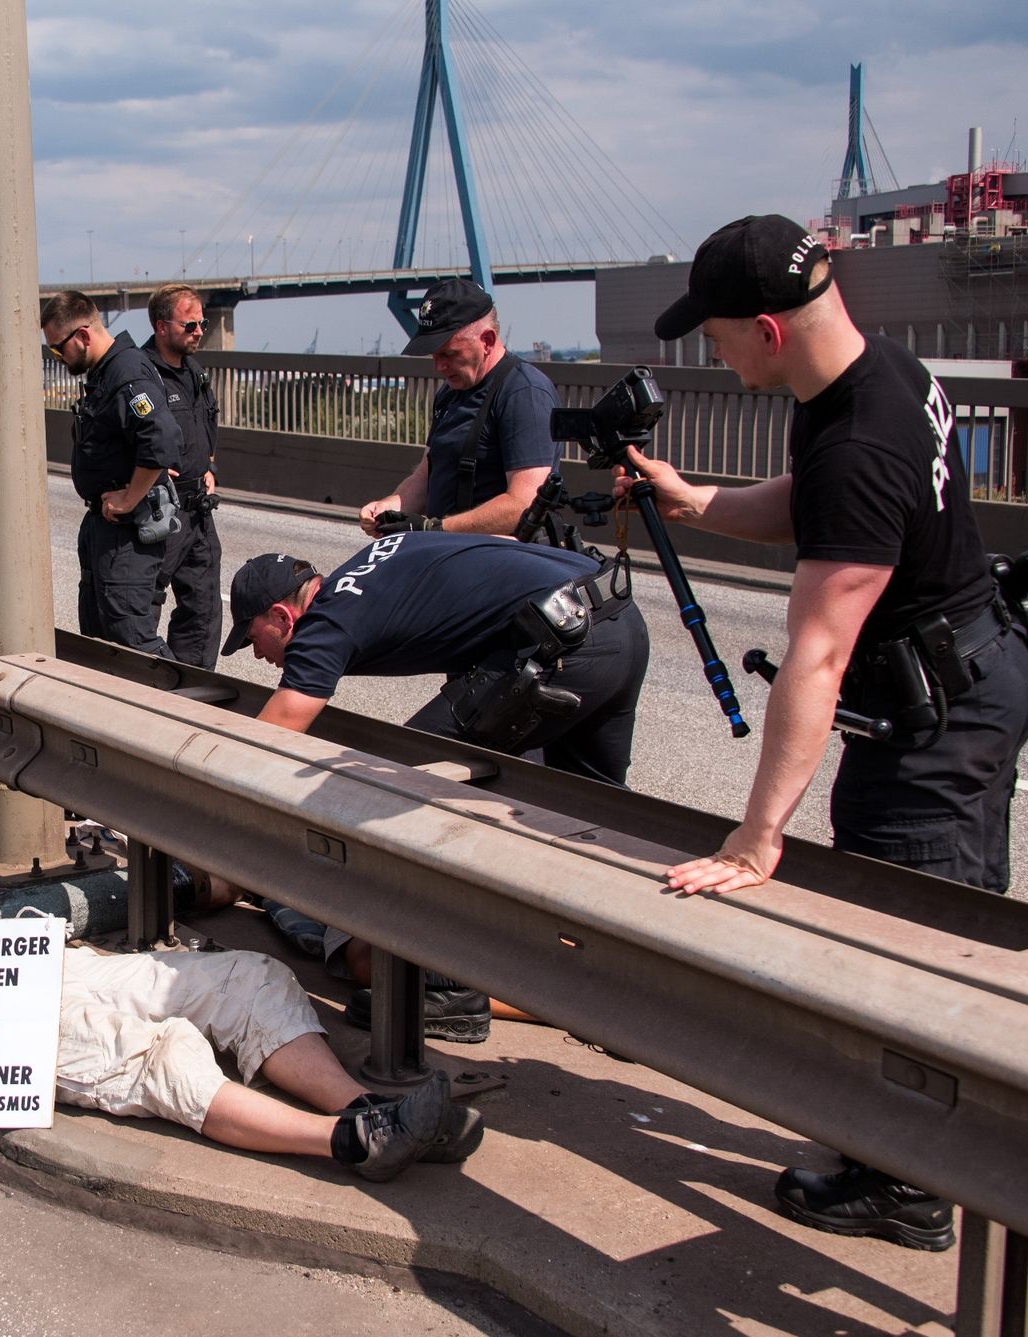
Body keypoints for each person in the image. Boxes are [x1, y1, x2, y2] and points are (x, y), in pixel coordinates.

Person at [638, 213, 1028, 1251]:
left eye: (717, 334)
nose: (708, 351)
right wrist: (701, 501)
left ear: (767, 330)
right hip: (968, 673)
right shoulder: (875, 376)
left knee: (906, 937)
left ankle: (908, 1182)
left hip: (938, 714)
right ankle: (911, 1145)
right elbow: (815, 506)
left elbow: (814, 654)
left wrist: (755, 833)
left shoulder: (858, 437)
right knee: (933, 916)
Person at [0, 817, 480, 1182]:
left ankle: (363, 1107)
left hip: (23, 964)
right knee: (159, 1051)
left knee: (244, 975)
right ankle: (352, 1144)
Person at [220, 534, 650, 1039]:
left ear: (281, 617)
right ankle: (635, 974)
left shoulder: (324, 623)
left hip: (563, 645)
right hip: (617, 618)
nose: (256, 657)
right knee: (594, 818)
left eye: (252, 640)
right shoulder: (376, 558)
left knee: (406, 786)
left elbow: (266, 741)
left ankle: (477, 990)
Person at [357, 278, 560, 538]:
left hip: (501, 561)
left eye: (449, 354)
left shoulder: (524, 393)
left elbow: (524, 504)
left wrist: (435, 528)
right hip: (450, 551)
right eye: (433, 355)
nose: (438, 367)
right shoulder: (451, 392)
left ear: (487, 340)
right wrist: (388, 507)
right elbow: (426, 476)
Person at [40, 290, 183, 657]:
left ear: (83, 336)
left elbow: (162, 439)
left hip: (128, 532)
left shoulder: (126, 372)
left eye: (59, 349)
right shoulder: (106, 373)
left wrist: (130, 496)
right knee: (99, 637)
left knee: (131, 641)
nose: (58, 358)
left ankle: (179, 711)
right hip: (106, 528)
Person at [143, 284, 224, 667]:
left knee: (203, 609)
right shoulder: (143, 375)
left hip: (200, 510)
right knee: (144, 604)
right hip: (162, 511)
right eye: (189, 324)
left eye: (202, 323)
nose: (198, 331)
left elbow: (206, 424)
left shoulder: (195, 372)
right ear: (162, 326)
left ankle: (193, 687)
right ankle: (146, 691)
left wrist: (210, 466)